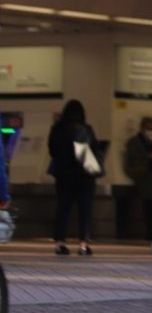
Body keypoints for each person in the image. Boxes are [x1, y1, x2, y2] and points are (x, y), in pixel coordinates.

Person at [47, 99, 101, 256]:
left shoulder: (57, 129)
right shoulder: (86, 129)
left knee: (63, 209)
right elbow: (95, 150)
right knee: (85, 210)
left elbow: (52, 151)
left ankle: (60, 244)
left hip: (63, 175)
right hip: (84, 176)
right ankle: (83, 245)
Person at [124, 117, 152, 245]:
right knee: (147, 207)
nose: (150, 132)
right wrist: (148, 159)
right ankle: (150, 232)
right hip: (143, 180)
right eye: (148, 128)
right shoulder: (134, 143)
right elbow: (131, 163)